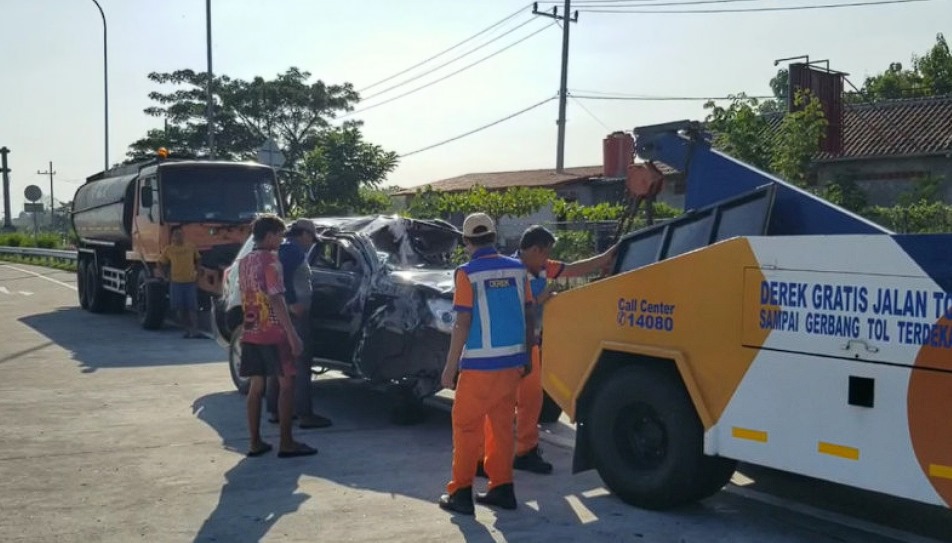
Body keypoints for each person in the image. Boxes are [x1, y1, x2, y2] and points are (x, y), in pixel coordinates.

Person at [476, 225, 618, 476]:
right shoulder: (509, 270)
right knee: (499, 403)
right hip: (506, 347)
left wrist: (607, 256)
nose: (547, 259)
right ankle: (483, 457)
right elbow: (501, 308)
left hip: (530, 344)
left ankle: (525, 452)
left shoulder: (541, 268)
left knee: (531, 400)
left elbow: (575, 268)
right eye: (545, 253)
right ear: (532, 249)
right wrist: (538, 301)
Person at [438, 213, 534, 515]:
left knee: (467, 427)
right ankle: (502, 487)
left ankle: (461, 492)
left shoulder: (467, 273)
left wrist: (450, 366)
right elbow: (530, 313)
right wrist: (528, 355)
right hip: (512, 364)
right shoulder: (519, 269)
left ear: (467, 242)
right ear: (494, 236)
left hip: (480, 366)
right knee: (502, 426)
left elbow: (463, 321)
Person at [238, 214, 317, 459]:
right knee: (286, 385)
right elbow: (276, 298)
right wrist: (293, 335)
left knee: (256, 386)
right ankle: (286, 441)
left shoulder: (245, 261)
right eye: (280, 235)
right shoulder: (271, 261)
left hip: (251, 330)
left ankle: (255, 442)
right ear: (270, 235)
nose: (282, 240)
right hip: (274, 331)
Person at [266, 218, 333, 430]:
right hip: (294, 315)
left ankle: (275, 410)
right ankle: (305, 414)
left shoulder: (285, 249)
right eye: (311, 238)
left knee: (281, 362)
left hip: (283, 313)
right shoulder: (292, 251)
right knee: (300, 363)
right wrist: (293, 302)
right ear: (303, 234)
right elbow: (281, 278)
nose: (311, 243)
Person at [157, 226, 201, 338]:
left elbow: (198, 259)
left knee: (192, 308)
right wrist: (165, 276)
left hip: (190, 282)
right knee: (179, 310)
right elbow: (160, 263)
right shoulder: (169, 250)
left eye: (181, 233)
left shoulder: (191, 247)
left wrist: (198, 272)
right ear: (172, 237)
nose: (179, 236)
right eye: (176, 234)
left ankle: (195, 331)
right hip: (176, 283)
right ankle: (187, 330)